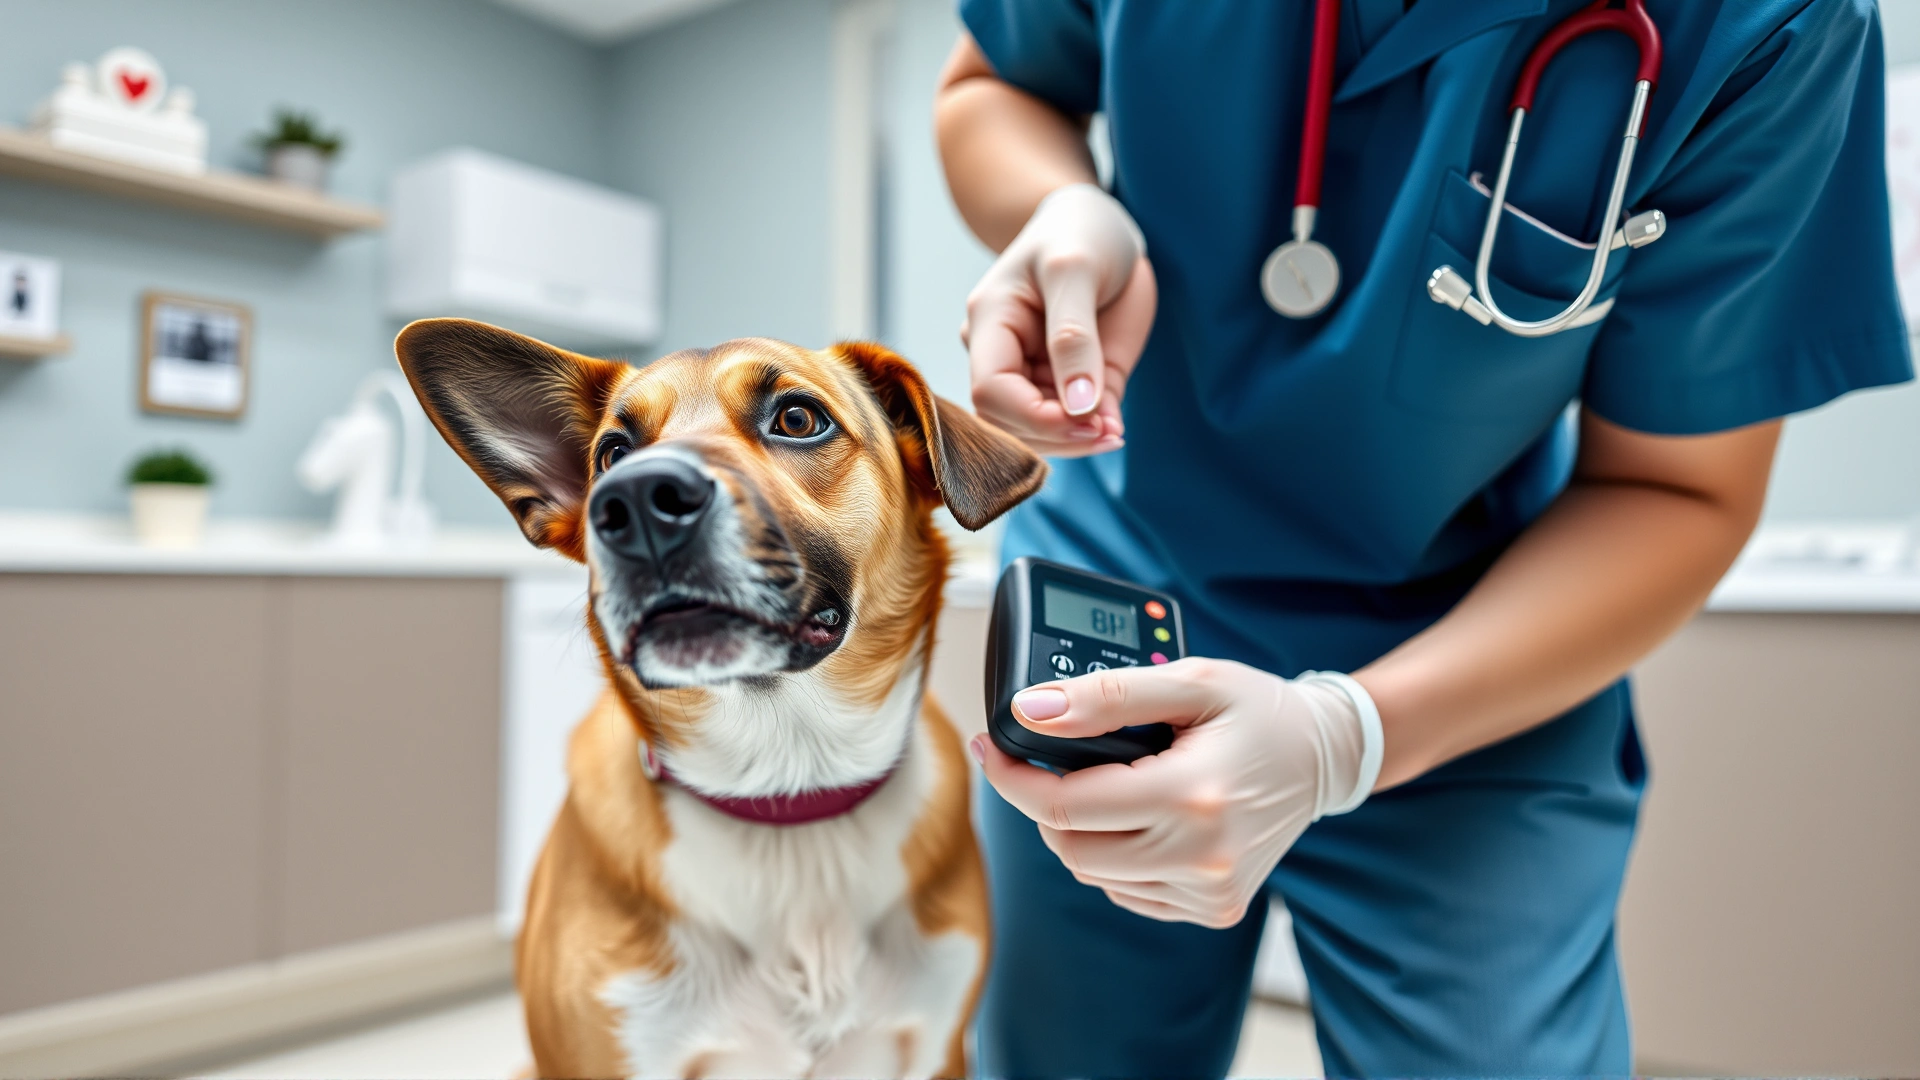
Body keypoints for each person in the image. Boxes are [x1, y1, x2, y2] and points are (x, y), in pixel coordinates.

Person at [934, 1, 1910, 1076]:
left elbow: (1678, 490)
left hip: (1471, 656)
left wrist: (1346, 736)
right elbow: (993, 86)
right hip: (1130, 595)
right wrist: (1065, 208)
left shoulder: (1764, 24)